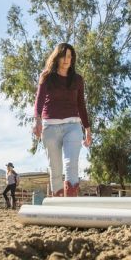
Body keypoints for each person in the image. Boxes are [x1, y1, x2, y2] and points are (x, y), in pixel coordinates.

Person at [33, 43, 92, 197]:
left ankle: (71, 205)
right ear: (57, 57)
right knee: (55, 168)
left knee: (71, 164)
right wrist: (37, 120)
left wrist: (87, 129)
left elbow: (81, 104)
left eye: (70, 56)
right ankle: (58, 206)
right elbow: (39, 100)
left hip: (72, 126)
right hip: (50, 127)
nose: (67, 60)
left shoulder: (78, 79)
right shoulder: (46, 77)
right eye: (64, 56)